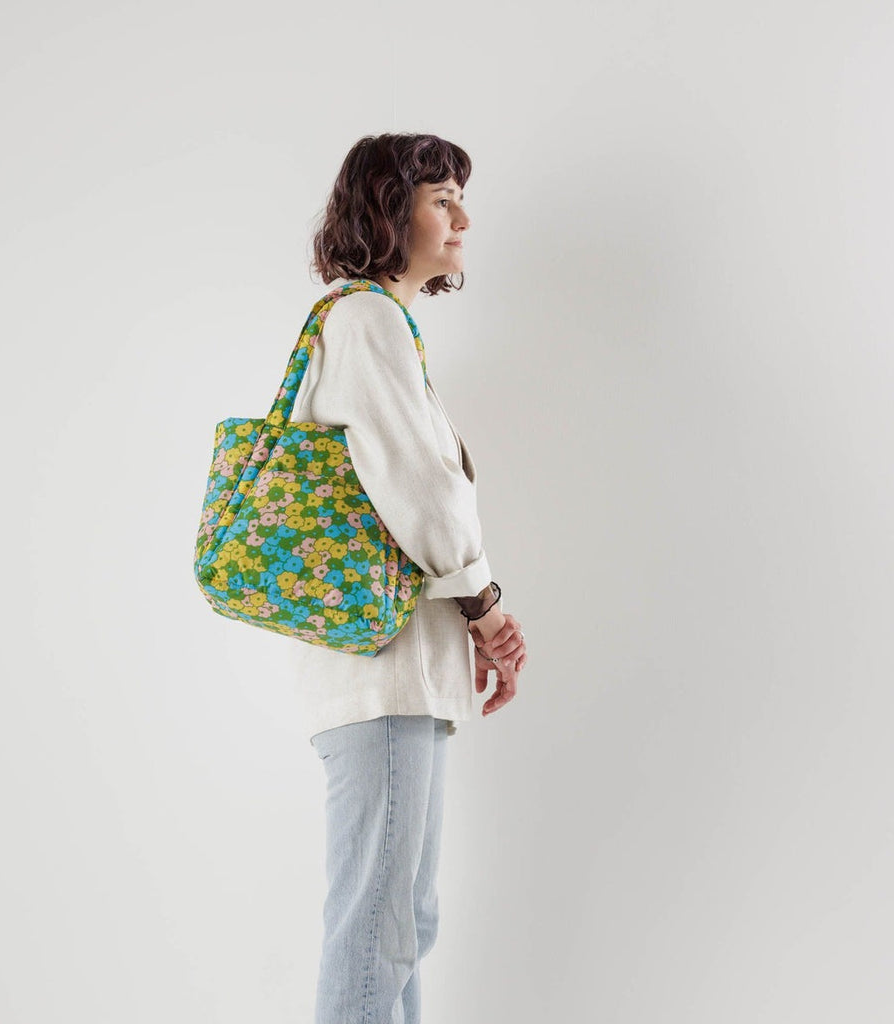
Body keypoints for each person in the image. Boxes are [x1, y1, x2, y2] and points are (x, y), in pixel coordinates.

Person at [288, 132, 528, 1024]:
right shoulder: (365, 321)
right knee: (378, 928)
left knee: (400, 924)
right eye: (440, 199)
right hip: (382, 670)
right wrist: (487, 609)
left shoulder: (379, 324)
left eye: (461, 198)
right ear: (389, 212)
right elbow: (423, 488)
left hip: (397, 669)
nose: (462, 218)